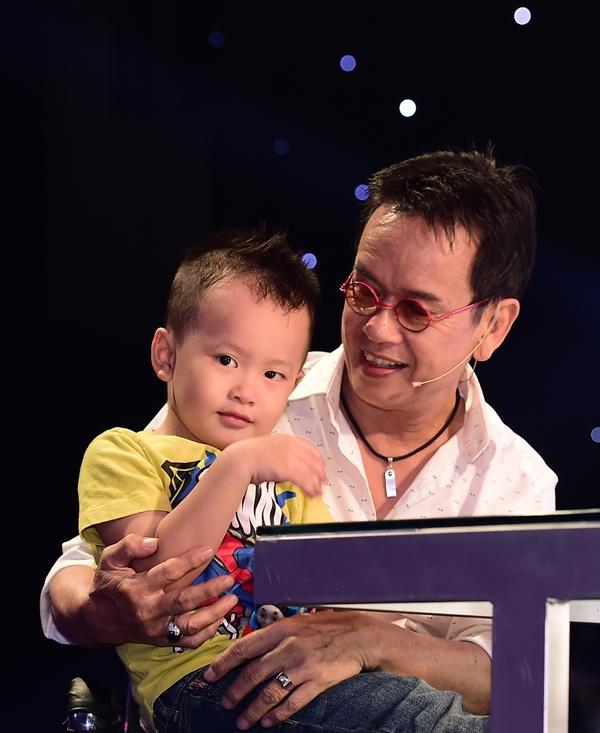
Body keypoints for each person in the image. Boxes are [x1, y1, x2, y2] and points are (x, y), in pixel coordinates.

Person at [41, 148, 557, 732]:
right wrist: (103, 610)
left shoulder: (516, 481)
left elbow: (522, 674)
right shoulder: (258, 393)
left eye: (415, 310)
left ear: (493, 325)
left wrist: (371, 641)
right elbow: (92, 561)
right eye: (364, 292)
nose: (377, 327)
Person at [72, 229, 332, 728]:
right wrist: (237, 466)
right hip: (196, 681)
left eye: (272, 375)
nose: (246, 391)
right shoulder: (124, 452)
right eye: (227, 360)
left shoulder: (283, 473)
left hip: (288, 672)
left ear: (294, 384)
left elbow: (332, 580)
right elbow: (157, 581)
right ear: (166, 355)